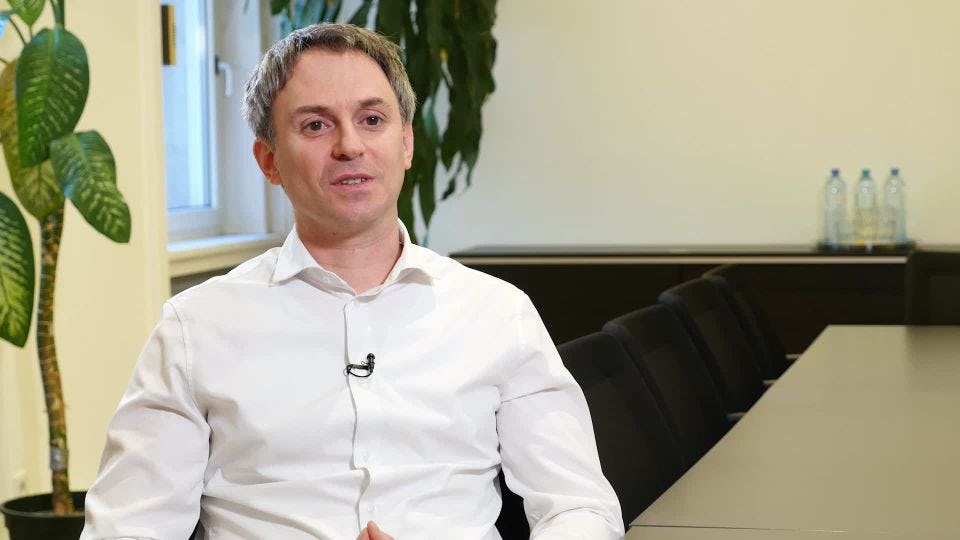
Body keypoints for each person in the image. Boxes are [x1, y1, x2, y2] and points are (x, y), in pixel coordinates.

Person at [81, 23, 623, 540]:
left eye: (372, 119)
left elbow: (578, 506)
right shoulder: (195, 328)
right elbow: (127, 527)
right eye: (315, 125)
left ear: (406, 144)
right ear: (269, 160)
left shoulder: (497, 313)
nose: (349, 146)